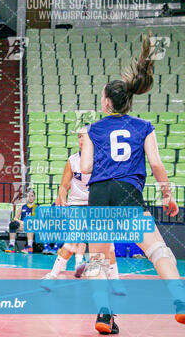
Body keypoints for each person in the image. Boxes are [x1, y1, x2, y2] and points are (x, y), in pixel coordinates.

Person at [80, 34, 185, 334]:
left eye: (102, 96)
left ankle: (103, 314)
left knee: (97, 259)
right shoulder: (143, 126)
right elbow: (156, 165)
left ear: (108, 101)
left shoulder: (93, 129)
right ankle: (179, 300)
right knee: (157, 250)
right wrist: (168, 196)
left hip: (100, 193)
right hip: (128, 191)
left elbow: (85, 167)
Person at [42, 129, 122, 286]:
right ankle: (53, 274)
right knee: (71, 241)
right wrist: (63, 199)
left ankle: (115, 279)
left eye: (84, 137)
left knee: (107, 244)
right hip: (77, 205)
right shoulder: (72, 161)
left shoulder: (102, 160)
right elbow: (64, 186)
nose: (81, 140)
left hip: (97, 205)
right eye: (79, 137)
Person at [5, 188, 36, 254]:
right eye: (28, 196)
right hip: (22, 225)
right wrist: (21, 222)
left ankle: (29, 246)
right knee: (12, 224)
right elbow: (15, 218)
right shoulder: (22, 207)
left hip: (33, 226)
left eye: (32, 196)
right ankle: (11, 245)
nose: (30, 198)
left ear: (34, 197)